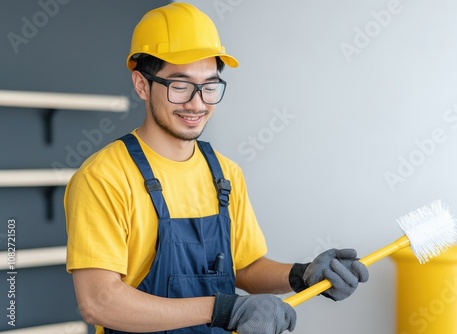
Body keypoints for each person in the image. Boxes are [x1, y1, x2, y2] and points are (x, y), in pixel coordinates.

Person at [64, 3, 368, 334]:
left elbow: (246, 268)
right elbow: (98, 301)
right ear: (141, 84)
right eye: (179, 85)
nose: (197, 103)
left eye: (209, 86)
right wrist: (224, 308)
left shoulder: (224, 173)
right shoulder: (104, 178)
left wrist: (302, 274)